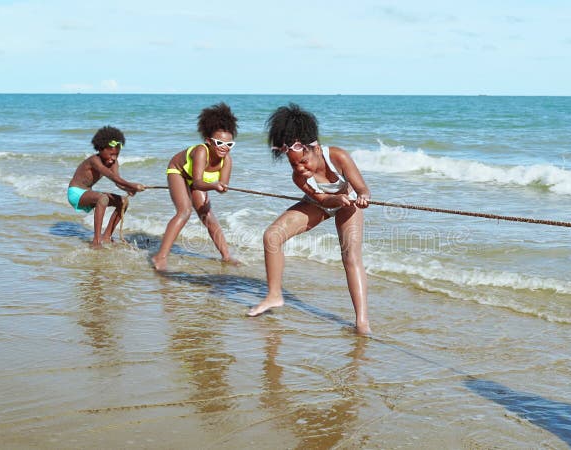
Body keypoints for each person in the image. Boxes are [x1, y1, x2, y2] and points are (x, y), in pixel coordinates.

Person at [246, 103, 372, 334]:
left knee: (350, 256)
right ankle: (274, 295)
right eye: (293, 164)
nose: (300, 169)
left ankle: (362, 322)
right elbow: (323, 200)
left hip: (349, 203)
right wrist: (333, 200)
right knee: (271, 236)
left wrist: (362, 197)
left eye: (303, 162)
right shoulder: (299, 177)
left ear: (315, 148)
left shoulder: (338, 156)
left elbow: (362, 188)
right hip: (321, 203)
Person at [151, 102, 239, 270]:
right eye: (219, 143)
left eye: (229, 145)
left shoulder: (226, 160)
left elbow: (222, 186)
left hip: (198, 181)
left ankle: (226, 256)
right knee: (184, 211)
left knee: (209, 217)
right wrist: (214, 186)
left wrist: (222, 187)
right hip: (179, 172)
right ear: (208, 141)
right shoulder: (201, 151)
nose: (224, 148)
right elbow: (198, 182)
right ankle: (160, 257)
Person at [67, 125, 144, 248]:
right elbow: (111, 176)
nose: (113, 158)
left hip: (88, 193)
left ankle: (107, 236)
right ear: (101, 149)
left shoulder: (113, 163)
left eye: (117, 155)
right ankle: (96, 241)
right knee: (102, 198)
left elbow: (118, 182)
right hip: (76, 193)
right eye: (111, 154)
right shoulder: (94, 160)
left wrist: (129, 189)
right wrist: (132, 185)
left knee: (123, 202)